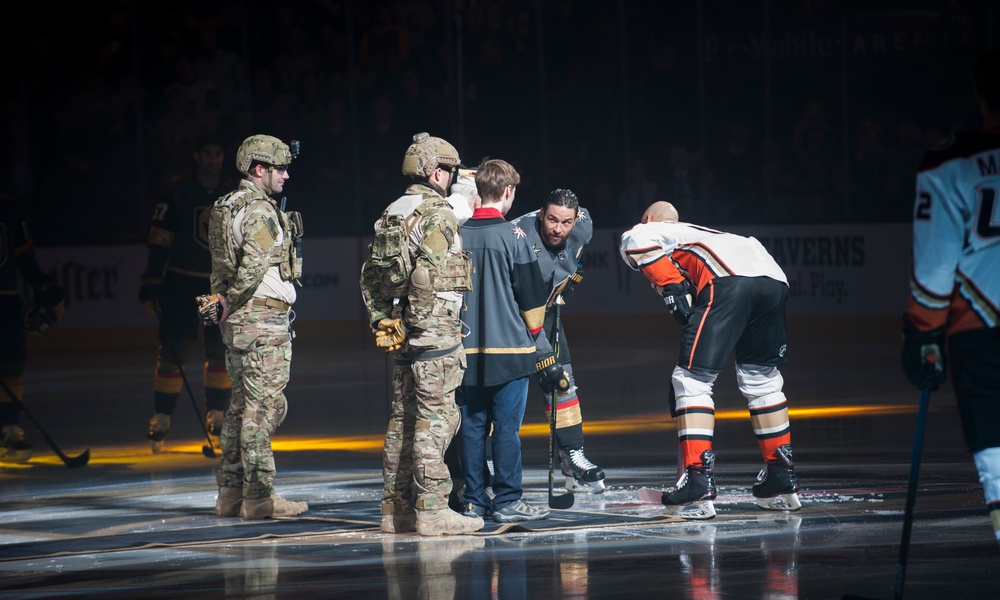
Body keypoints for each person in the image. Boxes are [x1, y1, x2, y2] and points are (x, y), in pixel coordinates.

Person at [619, 201, 799, 519]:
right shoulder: (708, 234)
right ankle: (781, 476)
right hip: (774, 279)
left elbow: (635, 242)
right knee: (762, 379)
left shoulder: (652, 229)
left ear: (648, 218)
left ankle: (698, 479)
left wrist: (672, 288)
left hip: (728, 282)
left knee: (691, 380)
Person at [359, 132, 484, 536]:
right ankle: (432, 509)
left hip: (402, 333)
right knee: (437, 419)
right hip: (432, 331)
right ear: (436, 172)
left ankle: (395, 511)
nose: (449, 177)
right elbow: (426, 274)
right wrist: (419, 319)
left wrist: (383, 318)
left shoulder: (391, 212)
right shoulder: (437, 214)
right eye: (448, 170)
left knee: (402, 420)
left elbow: (370, 276)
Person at [902, 48, 1000, 547]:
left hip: (981, 326)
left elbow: (936, 263)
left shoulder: (950, 161)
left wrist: (923, 331)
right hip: (978, 325)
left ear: (981, 94)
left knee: (996, 451)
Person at [201, 134, 307, 520]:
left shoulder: (224, 206)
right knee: (263, 408)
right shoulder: (260, 210)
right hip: (262, 319)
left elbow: (217, 265)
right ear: (258, 169)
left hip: (238, 323)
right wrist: (232, 298)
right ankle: (260, 495)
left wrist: (221, 302)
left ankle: (229, 493)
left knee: (240, 407)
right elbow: (253, 265)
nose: (286, 176)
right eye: (280, 168)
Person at [459, 158, 569, 523]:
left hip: (466, 353)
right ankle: (507, 500)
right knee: (506, 429)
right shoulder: (514, 237)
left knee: (472, 428)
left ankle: (474, 500)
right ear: (508, 192)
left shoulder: (457, 235)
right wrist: (539, 345)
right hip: (510, 353)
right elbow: (532, 303)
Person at [140, 133, 234, 453]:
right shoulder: (179, 190)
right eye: (208, 153)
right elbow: (160, 236)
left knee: (217, 349)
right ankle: (163, 417)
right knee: (174, 352)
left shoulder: (232, 192)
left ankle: (217, 413)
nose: (214, 159)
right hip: (182, 283)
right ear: (197, 156)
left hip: (214, 286)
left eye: (219, 153)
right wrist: (153, 277)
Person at [510, 189, 606, 493]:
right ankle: (487, 464)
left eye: (565, 222)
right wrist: (541, 355)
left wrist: (569, 280)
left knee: (563, 383)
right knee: (501, 388)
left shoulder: (583, 226)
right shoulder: (517, 235)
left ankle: (572, 457)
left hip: (548, 312)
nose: (557, 228)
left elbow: (573, 255)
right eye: (552, 219)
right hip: (512, 316)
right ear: (541, 214)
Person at [0, 193, 66, 462]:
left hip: (5, 297)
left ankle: (8, 428)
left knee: (13, 361)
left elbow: (22, 255)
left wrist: (42, 285)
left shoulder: (8, 207)